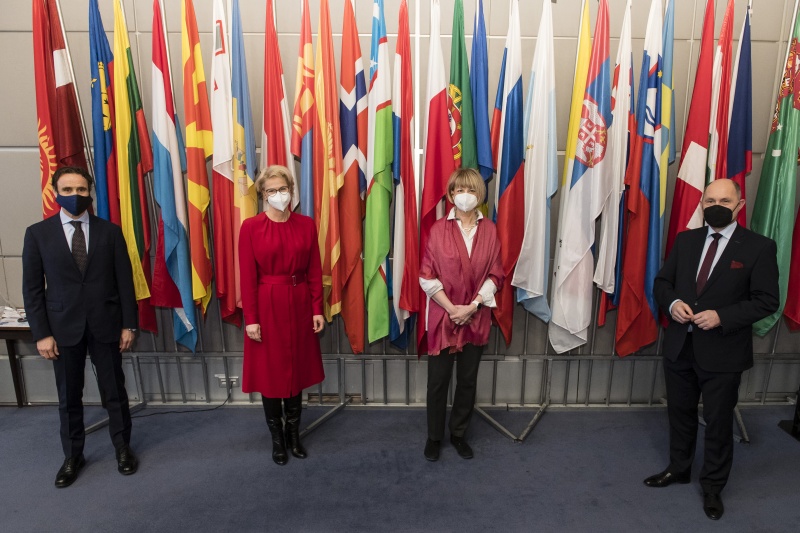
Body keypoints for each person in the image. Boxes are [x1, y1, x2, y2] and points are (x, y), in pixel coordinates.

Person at [649, 179, 779, 520]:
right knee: (680, 413)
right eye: (710, 200)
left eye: (724, 199)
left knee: (719, 423)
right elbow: (662, 283)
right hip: (680, 346)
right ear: (702, 204)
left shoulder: (758, 247)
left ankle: (713, 487)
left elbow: (767, 301)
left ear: (739, 204)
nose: (716, 204)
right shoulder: (686, 240)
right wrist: (673, 302)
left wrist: (723, 316)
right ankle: (679, 468)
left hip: (723, 352)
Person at [22, 166, 139, 488]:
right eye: (68, 190)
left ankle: (123, 449)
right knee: (69, 397)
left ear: (91, 193)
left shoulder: (110, 232)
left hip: (107, 326)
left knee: (114, 392)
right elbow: (32, 290)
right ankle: (73, 456)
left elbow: (124, 283)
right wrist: (41, 333)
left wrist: (129, 325)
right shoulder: (38, 234)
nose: (76, 196)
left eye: (82, 190)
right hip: (61, 330)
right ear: (56, 192)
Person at [239, 165, 325, 466]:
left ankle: (294, 435)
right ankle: (277, 440)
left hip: (300, 302)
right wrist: (251, 318)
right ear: (263, 195)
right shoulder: (250, 227)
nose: (278, 195)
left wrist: (317, 308)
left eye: (282, 189)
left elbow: (314, 270)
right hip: (267, 304)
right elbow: (248, 278)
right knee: (270, 373)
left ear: (291, 190)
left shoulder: (306, 225)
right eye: (271, 191)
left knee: (297, 371)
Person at [418, 168, 504, 461]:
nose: (463, 196)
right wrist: (453, 308)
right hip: (444, 315)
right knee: (438, 381)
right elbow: (426, 276)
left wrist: (474, 305)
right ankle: (434, 437)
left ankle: (458, 434)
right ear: (450, 194)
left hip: (476, 316)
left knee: (467, 380)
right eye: (457, 190)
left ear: (479, 195)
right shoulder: (437, 229)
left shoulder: (490, 230)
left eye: (469, 190)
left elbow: (496, 274)